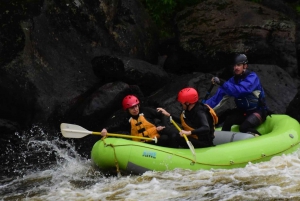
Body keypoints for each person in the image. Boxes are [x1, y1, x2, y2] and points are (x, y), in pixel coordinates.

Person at [206, 54, 270, 136]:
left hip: (258, 111)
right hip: (243, 112)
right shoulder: (232, 80)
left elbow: (241, 91)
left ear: (245, 66)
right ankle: (224, 144)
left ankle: (261, 140)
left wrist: (221, 83)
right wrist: (203, 108)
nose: (236, 68)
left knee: (244, 128)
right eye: (235, 65)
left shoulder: (252, 77)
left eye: (239, 65)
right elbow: (218, 97)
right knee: (228, 119)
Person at [100, 95, 171, 147]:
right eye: (132, 108)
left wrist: (163, 126)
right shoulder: (127, 121)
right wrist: (106, 129)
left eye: (136, 106)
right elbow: (116, 126)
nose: (135, 109)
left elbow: (161, 115)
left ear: (138, 105)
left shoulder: (147, 111)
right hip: (141, 147)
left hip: (155, 140)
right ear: (127, 110)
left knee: (165, 138)